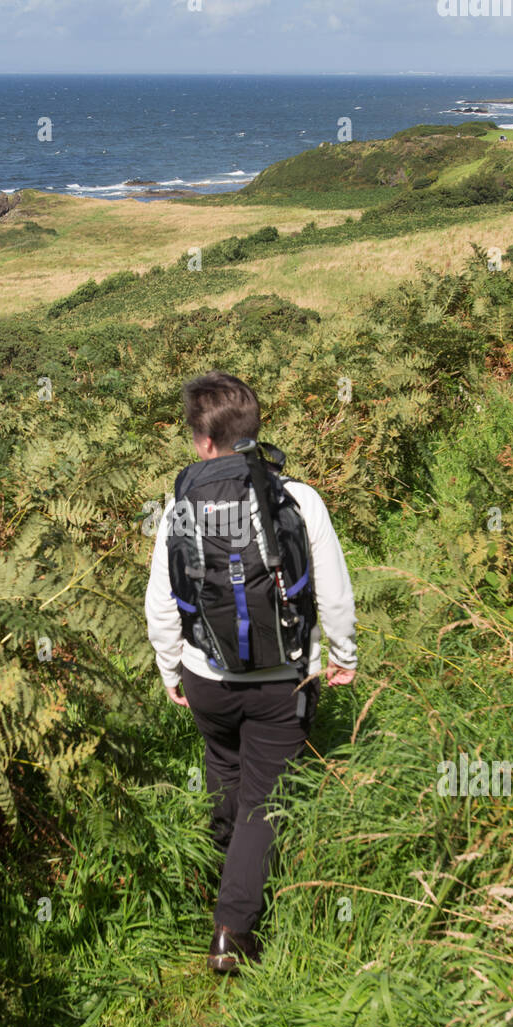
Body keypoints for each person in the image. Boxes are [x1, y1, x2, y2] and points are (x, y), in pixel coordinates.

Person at [144, 371, 357, 971]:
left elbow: (161, 603)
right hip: (281, 680)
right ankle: (233, 930)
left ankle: (219, 875)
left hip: (206, 678)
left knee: (224, 768)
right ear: (252, 431)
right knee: (264, 800)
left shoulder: (177, 509)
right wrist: (342, 657)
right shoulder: (299, 499)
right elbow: (335, 593)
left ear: (204, 442)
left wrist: (170, 668)